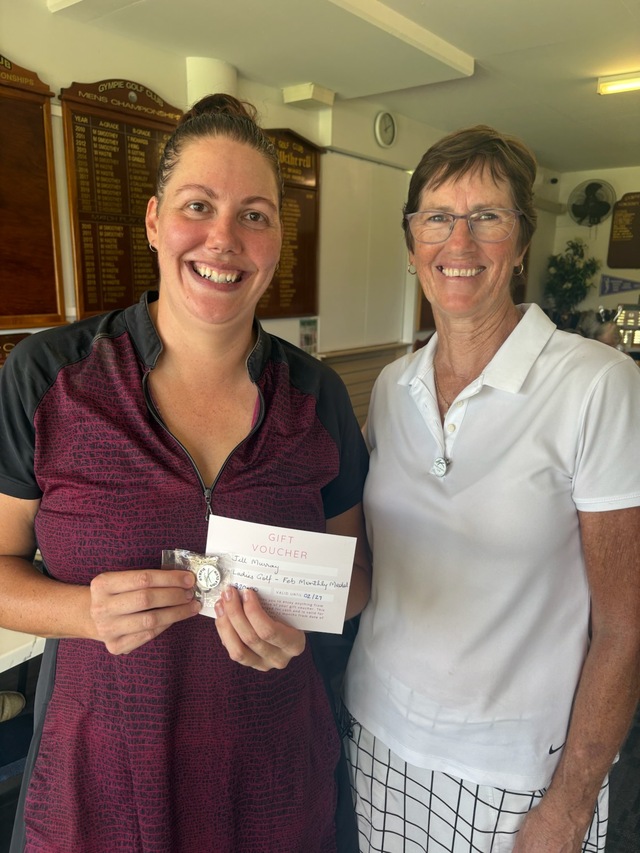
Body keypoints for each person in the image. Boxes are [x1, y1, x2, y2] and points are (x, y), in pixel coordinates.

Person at [0, 93, 371, 853]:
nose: (223, 239)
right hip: (101, 782)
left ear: (277, 240)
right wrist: (84, 613)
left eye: (254, 215)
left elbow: (356, 578)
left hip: (273, 781)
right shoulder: (51, 376)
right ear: (153, 220)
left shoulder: (316, 397)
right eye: (198, 206)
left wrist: (295, 621)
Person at [342, 125, 640, 852]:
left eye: (487, 216)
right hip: (376, 732)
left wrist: (570, 805)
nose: (460, 241)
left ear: (523, 240)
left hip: (517, 771)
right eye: (437, 217)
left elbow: (625, 626)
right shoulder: (392, 387)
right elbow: (371, 564)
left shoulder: (597, 385)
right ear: (411, 243)